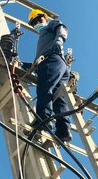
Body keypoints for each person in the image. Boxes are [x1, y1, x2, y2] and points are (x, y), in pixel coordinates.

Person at [25, 9, 72, 142]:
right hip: (59, 65)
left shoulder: (51, 25)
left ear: (45, 19)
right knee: (58, 99)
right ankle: (63, 130)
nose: (37, 24)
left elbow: (61, 28)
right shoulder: (43, 40)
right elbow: (36, 63)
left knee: (44, 87)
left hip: (52, 60)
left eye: (39, 20)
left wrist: (59, 40)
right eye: (34, 23)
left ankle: (43, 118)